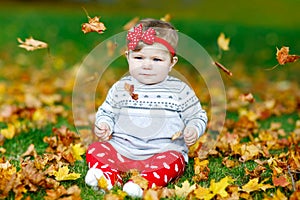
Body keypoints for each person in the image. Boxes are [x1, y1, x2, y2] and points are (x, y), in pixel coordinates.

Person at [85, 18, 207, 197]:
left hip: (162, 153)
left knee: (174, 160)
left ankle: (142, 184)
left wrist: (193, 128)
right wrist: (104, 124)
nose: (147, 65)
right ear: (128, 57)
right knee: (96, 149)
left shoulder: (180, 90)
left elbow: (198, 115)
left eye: (157, 59)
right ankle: (108, 178)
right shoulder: (121, 88)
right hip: (122, 149)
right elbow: (107, 112)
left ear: (171, 63)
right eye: (139, 57)